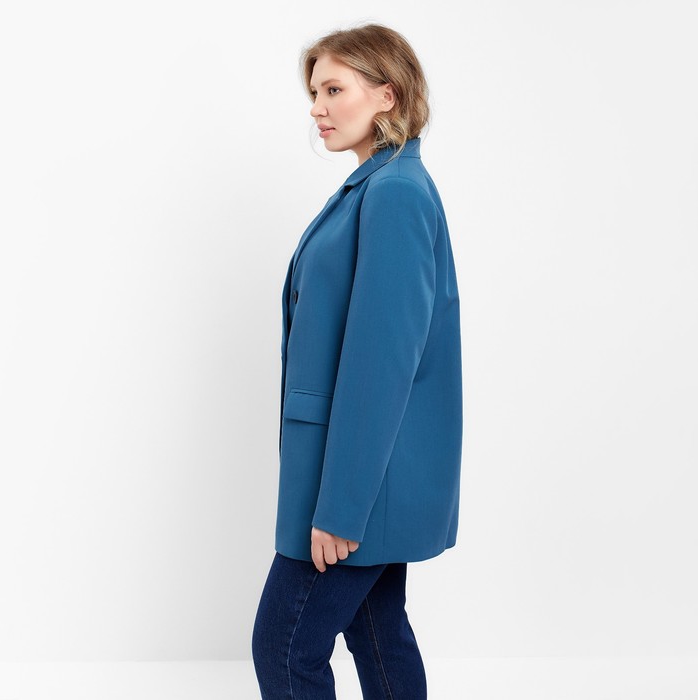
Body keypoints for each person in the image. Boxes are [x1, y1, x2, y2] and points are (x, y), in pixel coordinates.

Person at [252, 22, 463, 699]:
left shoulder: (394, 193)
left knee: (285, 648)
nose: (317, 107)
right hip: (368, 475)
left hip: (360, 485)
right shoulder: (377, 186)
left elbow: (381, 365)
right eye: (314, 92)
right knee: (377, 632)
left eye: (334, 90)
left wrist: (342, 508)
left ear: (387, 94)